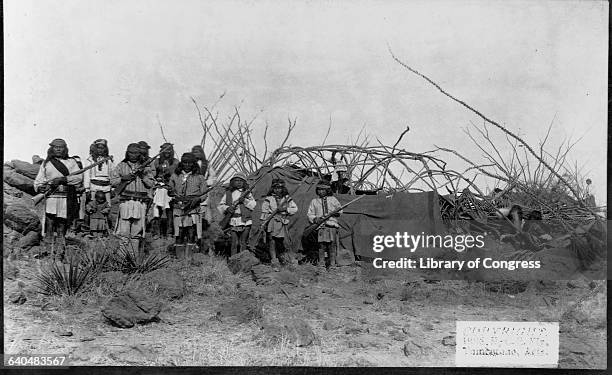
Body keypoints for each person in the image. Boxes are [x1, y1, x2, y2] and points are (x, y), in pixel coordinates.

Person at [33, 138, 83, 261]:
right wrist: (41, 187)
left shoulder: (71, 162)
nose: (59, 149)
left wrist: (63, 180)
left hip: (66, 198)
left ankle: (59, 253)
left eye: (61, 147)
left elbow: (78, 178)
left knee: (62, 226)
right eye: (56, 147)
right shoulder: (46, 163)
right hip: (51, 197)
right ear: (52, 148)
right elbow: (38, 181)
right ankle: (47, 252)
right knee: (49, 225)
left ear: (65, 149)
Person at [110, 143, 155, 240]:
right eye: (131, 153)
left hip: (140, 202)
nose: (133, 155)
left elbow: (151, 184)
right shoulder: (121, 166)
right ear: (127, 153)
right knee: (123, 232)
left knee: (137, 232)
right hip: (126, 201)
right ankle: (122, 255)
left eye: (136, 153)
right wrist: (123, 178)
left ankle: (134, 254)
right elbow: (113, 181)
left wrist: (142, 175)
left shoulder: (146, 168)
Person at [168, 152, 208, 259]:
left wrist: (197, 199)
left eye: (189, 163)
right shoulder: (175, 176)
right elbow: (170, 190)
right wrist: (171, 192)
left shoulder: (200, 177)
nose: (187, 165)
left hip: (193, 209)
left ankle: (189, 258)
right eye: (184, 162)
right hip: (179, 208)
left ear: (194, 164)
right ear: (181, 163)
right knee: (179, 233)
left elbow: (204, 194)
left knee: (191, 232)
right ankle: (179, 258)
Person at [260, 179, 298, 270]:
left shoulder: (287, 198)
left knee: (285, 242)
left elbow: (294, 209)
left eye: (280, 188)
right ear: (272, 189)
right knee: (272, 241)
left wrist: (285, 209)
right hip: (272, 221)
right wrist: (263, 222)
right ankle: (274, 261)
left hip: (283, 221)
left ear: (283, 188)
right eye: (275, 188)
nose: (277, 190)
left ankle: (287, 260)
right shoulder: (269, 199)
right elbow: (264, 211)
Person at [217, 172, 256, 256]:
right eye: (236, 180)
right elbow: (221, 205)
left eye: (241, 181)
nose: (238, 182)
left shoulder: (247, 193)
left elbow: (253, 205)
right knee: (234, 242)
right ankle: (233, 259)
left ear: (244, 182)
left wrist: (245, 201)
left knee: (243, 242)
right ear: (232, 182)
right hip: (233, 220)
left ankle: (243, 260)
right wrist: (228, 208)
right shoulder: (228, 193)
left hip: (245, 221)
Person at [307, 180, 343, 269]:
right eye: (319, 189)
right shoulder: (314, 201)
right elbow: (310, 214)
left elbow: (340, 210)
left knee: (331, 246)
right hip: (321, 226)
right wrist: (316, 219)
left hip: (331, 225)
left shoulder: (333, 199)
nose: (321, 191)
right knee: (321, 246)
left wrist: (334, 213)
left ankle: (332, 264)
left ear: (327, 190)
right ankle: (322, 263)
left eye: (323, 190)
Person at [151, 143, 179, 238]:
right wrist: (156, 181)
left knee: (170, 210)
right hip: (159, 187)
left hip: (170, 188)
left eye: (169, 150)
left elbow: (177, 175)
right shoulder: (156, 161)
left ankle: (170, 232)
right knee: (157, 210)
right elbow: (152, 174)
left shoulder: (175, 162)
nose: (167, 152)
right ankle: (156, 232)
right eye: (165, 150)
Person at [192, 145, 218, 235]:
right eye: (194, 152)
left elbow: (213, 176)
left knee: (204, 207)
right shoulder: (189, 163)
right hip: (192, 188)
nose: (196, 154)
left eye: (198, 152)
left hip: (204, 189)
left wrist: (206, 183)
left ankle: (205, 227)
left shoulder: (206, 164)